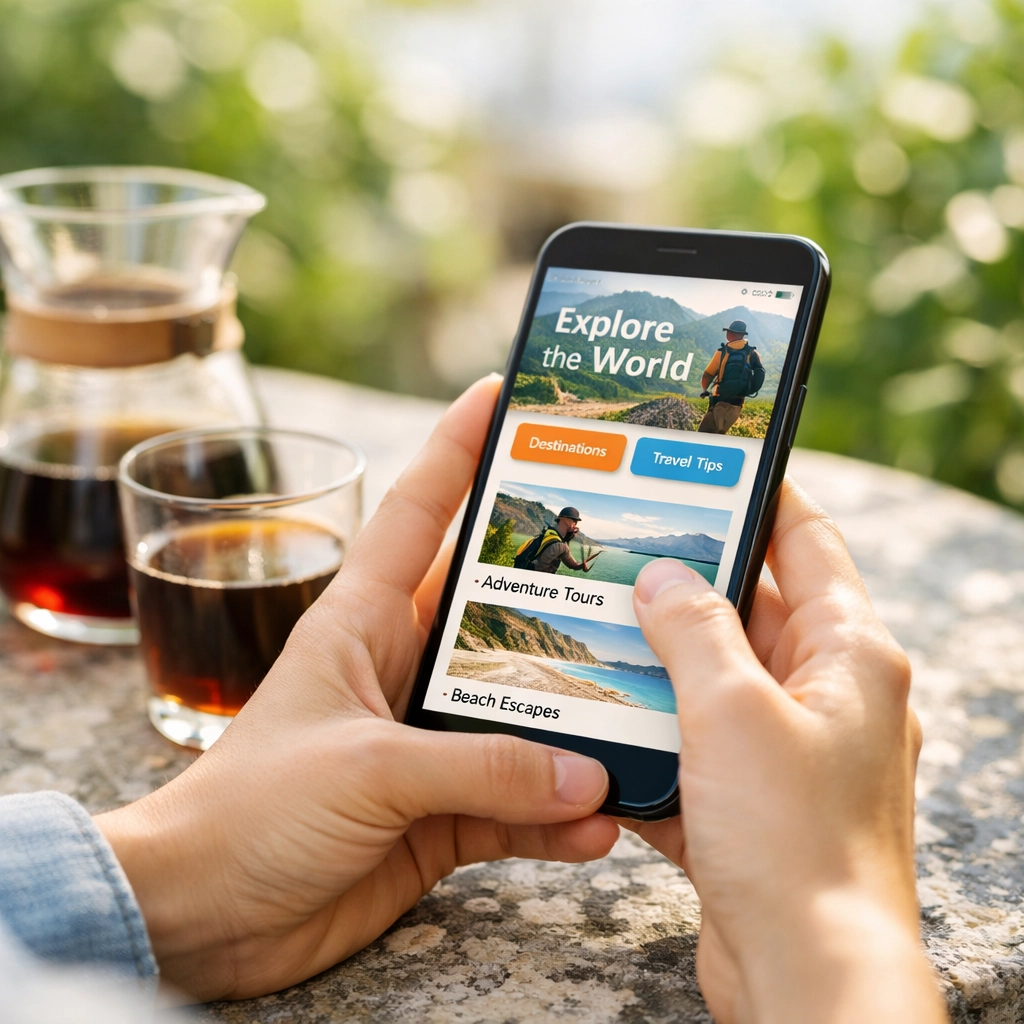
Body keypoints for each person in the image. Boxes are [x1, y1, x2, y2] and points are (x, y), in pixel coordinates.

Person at [0, 375, 947, 1023]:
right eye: (571, 519)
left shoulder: (567, 538)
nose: (572, 523)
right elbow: (553, 554)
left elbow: (568, 553)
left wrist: (173, 889)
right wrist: (831, 936)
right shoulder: (548, 537)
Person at [697, 319, 765, 434]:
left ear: (730, 334)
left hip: (719, 401)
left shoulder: (722, 352)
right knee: (720, 435)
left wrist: (704, 389)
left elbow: (708, 374)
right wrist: (748, 390)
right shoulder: (752, 353)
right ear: (743, 335)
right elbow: (760, 373)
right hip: (737, 404)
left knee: (704, 434)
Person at [514, 506, 600, 573]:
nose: (575, 525)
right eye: (574, 521)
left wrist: (581, 565)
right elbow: (539, 571)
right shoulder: (559, 545)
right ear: (565, 519)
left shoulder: (549, 534)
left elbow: (572, 564)